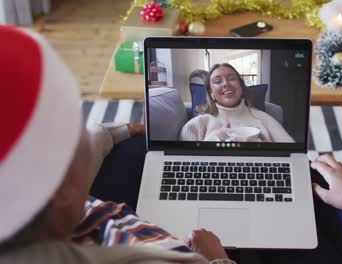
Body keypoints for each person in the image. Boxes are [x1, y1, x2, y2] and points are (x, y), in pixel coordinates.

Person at [0, 26, 234, 264]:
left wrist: (109, 133)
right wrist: (218, 259)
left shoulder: (29, 206)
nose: (88, 132)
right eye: (75, 125)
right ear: (61, 187)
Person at [179, 63, 294, 142]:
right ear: (211, 92)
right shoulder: (198, 124)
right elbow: (182, 165)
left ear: (241, 86)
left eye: (232, 78)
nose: (225, 84)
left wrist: (265, 149)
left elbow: (293, 155)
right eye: (217, 81)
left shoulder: (264, 118)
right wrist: (217, 138)